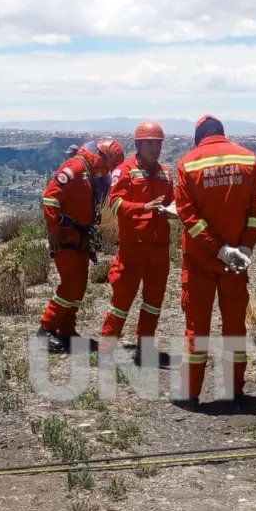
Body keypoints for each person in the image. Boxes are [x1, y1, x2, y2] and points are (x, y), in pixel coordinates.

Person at [173, 115, 256, 406]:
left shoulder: (187, 164)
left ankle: (190, 393)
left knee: (197, 326)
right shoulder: (249, 159)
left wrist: (217, 249)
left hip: (201, 260)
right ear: (222, 134)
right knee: (235, 326)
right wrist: (245, 248)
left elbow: (190, 218)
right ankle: (234, 390)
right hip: (237, 263)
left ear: (199, 138)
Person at [37, 138, 125, 352]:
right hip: (66, 237)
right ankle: (45, 331)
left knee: (79, 287)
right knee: (70, 286)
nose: (107, 172)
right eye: (109, 166)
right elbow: (50, 197)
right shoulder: (75, 167)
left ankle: (66, 331)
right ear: (103, 157)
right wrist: (54, 231)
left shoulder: (88, 170)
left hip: (78, 238)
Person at [101, 121, 173, 364]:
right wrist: (144, 207)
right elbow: (116, 204)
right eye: (151, 143)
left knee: (153, 302)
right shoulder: (124, 170)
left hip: (159, 247)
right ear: (139, 145)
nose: (156, 149)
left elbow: (172, 201)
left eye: (159, 144)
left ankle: (145, 348)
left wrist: (172, 211)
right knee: (121, 301)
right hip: (133, 247)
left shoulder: (166, 172)